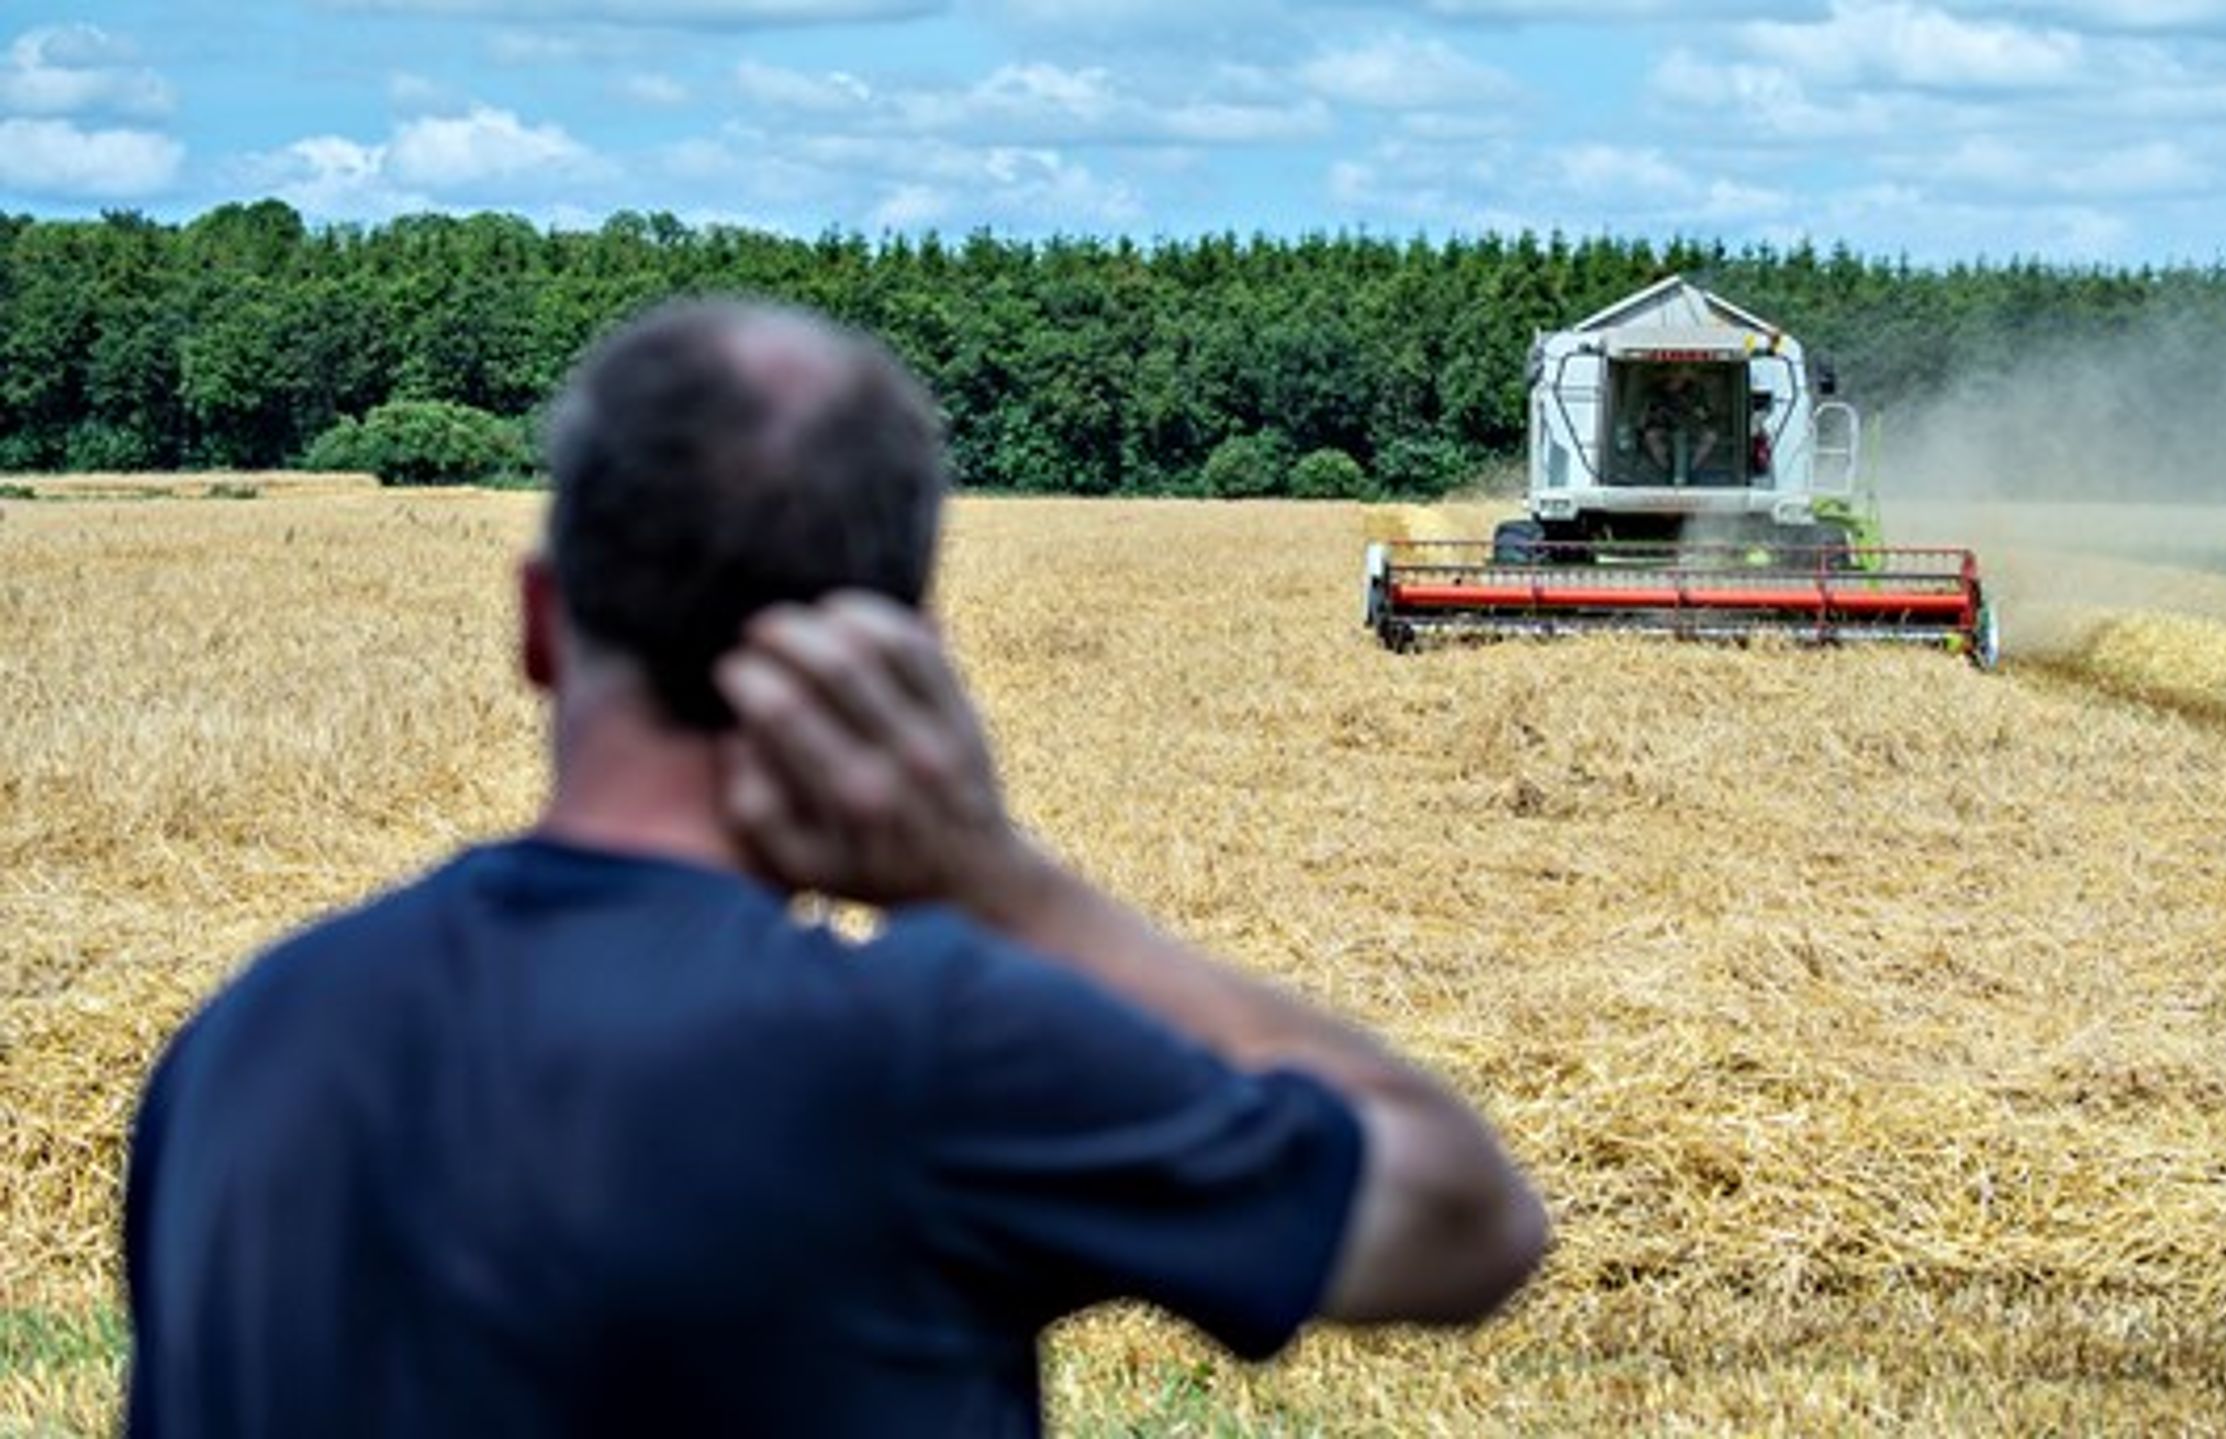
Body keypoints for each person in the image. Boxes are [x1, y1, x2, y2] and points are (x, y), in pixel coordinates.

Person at [121, 298, 1547, 1437]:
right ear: (899, 649)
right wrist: (997, 881)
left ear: (543, 622)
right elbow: (1464, 1219)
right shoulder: (926, 1052)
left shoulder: (246, 1044)